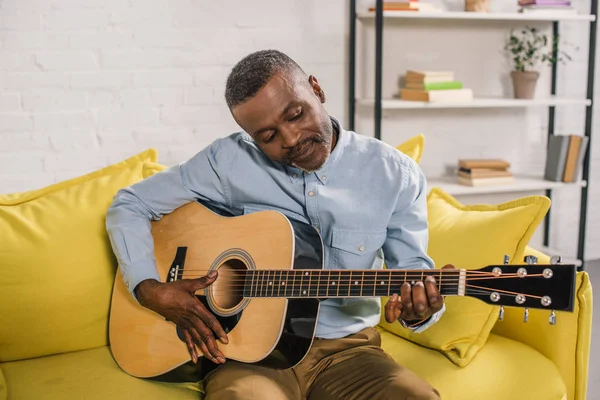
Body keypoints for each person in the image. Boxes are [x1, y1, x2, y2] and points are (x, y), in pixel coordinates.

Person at [106, 49, 448, 400]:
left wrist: (419, 309)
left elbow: (412, 271)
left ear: (316, 89)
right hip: (248, 357)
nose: (290, 139)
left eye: (296, 114)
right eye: (267, 136)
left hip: (348, 351)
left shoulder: (396, 174)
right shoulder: (227, 161)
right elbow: (131, 203)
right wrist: (147, 288)